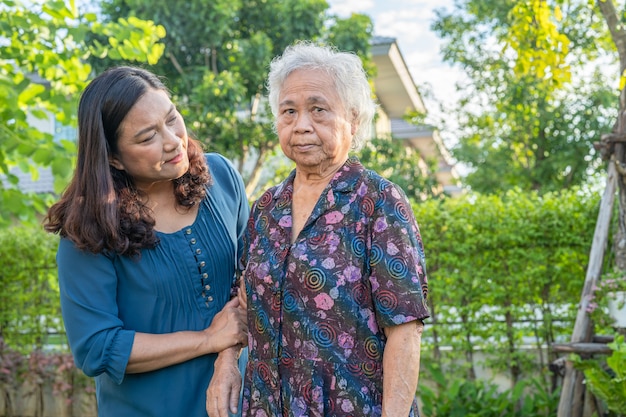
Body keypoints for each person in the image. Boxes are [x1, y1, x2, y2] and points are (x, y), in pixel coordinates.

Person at [211, 41, 430, 417]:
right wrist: (226, 363)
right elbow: (241, 301)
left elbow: (405, 331)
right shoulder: (267, 207)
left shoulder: (378, 201)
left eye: (318, 110)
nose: (302, 125)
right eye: (289, 111)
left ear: (353, 120)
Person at [43, 66, 249, 417]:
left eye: (171, 118)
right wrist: (207, 340)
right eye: (147, 137)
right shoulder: (89, 231)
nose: (172, 140)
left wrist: (228, 353)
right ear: (112, 157)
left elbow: (251, 279)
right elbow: (97, 347)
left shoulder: (222, 178)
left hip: (239, 404)